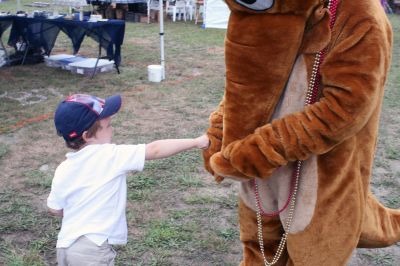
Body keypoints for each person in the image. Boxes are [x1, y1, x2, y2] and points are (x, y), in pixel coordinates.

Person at [47, 94, 209, 266]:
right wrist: (196, 142)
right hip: (93, 250)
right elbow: (154, 150)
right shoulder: (109, 155)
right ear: (87, 135)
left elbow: (54, 209)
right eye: (108, 126)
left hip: (65, 247)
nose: (112, 129)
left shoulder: (63, 169)